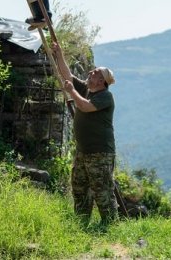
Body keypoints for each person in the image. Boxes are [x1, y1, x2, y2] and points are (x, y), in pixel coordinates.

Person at [51, 42, 118, 227]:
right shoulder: (88, 90)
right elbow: (67, 75)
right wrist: (59, 54)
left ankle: (110, 226)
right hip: (83, 152)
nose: (90, 73)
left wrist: (72, 92)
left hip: (100, 153)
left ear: (102, 81)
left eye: (95, 73)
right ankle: (81, 223)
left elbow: (85, 107)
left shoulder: (105, 97)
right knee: (80, 188)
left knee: (102, 190)